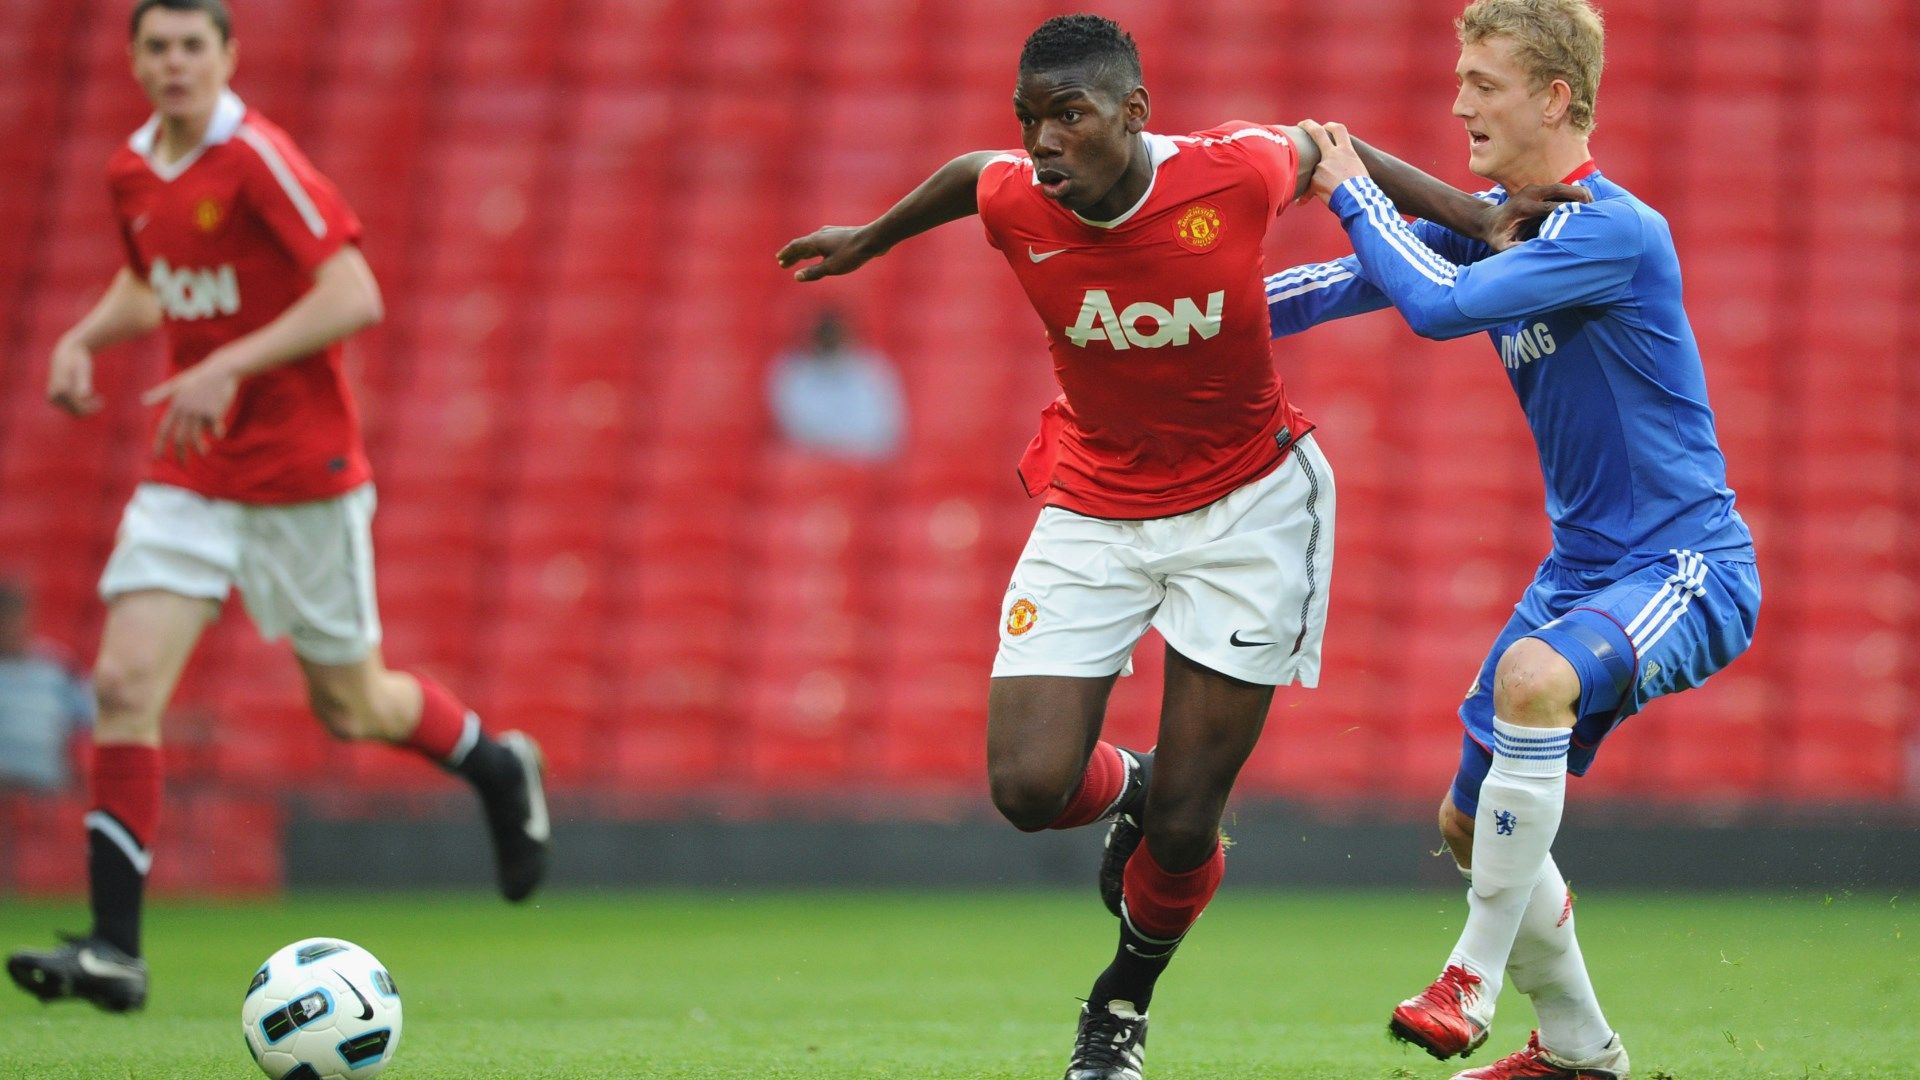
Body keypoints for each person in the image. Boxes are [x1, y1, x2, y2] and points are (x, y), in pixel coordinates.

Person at [778, 15, 1570, 1079]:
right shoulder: (1017, 195)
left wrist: (1475, 214)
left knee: (1189, 830)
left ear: (1133, 116)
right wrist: (867, 240)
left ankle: (1118, 1006)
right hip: (1095, 504)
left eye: (1070, 117)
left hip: (1248, 514)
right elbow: (970, 175)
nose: (1045, 143)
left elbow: (1335, 146)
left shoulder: (1231, 171)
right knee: (1026, 789)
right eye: (1032, 121)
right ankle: (1135, 785)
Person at [8, 0, 550, 1014]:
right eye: (157, 47)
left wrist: (230, 365)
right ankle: (116, 951)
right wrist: (83, 336)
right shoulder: (132, 169)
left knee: (354, 707)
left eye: (192, 46)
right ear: (132, 60)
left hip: (301, 474)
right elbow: (156, 283)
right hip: (192, 475)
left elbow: (355, 292)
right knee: (125, 685)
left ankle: (494, 763)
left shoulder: (258, 157)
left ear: (227, 56)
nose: (174, 64)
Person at [1265, 3, 1760, 1077]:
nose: (1458, 103)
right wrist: (1194, 317)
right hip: (1581, 571)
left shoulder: (1613, 230)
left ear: (1555, 97)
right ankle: (1581, 1049)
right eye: (1458, 80)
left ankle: (1469, 978)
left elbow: (1441, 304)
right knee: (1464, 819)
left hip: (1684, 566)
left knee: (1533, 682)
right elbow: (1344, 284)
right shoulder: (1503, 215)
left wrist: (1348, 186)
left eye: (1484, 82)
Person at [768, 309, 906, 461]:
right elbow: (795, 427)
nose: (830, 340)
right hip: (810, 465)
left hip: (861, 464)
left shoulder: (872, 369)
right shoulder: (792, 370)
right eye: (824, 335)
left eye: (835, 335)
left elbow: (883, 431)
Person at [0, 582, 95, 793]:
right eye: (4, 619)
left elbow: (95, 715)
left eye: (17, 618)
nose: (11, 627)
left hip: (46, 790)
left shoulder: (57, 666)